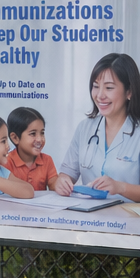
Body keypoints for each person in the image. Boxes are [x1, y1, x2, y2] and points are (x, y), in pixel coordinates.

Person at [53, 53, 140, 201]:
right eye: (95, 86)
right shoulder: (84, 128)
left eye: (109, 88)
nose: (100, 95)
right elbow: (67, 174)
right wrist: (61, 181)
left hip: (129, 220)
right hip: (90, 218)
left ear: (129, 91)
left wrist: (120, 187)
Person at [4, 106, 59, 191]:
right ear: (15, 138)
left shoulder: (47, 160)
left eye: (42, 133)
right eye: (33, 134)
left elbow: (54, 184)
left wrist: (62, 185)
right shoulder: (6, 163)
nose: (39, 139)